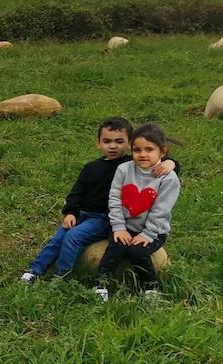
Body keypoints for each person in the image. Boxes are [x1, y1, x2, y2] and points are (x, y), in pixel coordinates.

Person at [19, 117, 177, 284]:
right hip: (82, 214)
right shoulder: (91, 167)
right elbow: (76, 192)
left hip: (104, 218)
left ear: (129, 144)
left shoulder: (129, 164)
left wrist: (170, 163)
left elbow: (155, 162)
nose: (113, 146)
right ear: (98, 143)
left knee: (73, 237)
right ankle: (35, 270)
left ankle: (61, 277)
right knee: (58, 238)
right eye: (107, 141)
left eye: (119, 141)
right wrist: (71, 212)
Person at [95, 123, 180, 302]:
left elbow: (161, 210)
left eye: (149, 149)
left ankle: (150, 288)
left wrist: (148, 234)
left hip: (154, 231)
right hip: (125, 226)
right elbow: (114, 199)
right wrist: (119, 227)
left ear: (162, 152)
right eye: (137, 150)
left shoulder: (169, 179)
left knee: (137, 252)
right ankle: (100, 286)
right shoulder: (124, 169)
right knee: (115, 248)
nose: (143, 154)